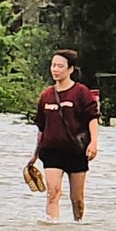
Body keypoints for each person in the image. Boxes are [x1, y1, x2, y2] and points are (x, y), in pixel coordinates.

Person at [34, 49, 101, 221]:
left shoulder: (81, 92)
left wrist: (93, 143)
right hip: (51, 151)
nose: (55, 69)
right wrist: (34, 155)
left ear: (70, 69)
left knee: (77, 199)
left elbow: (92, 118)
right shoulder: (46, 95)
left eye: (60, 66)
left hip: (76, 151)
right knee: (52, 193)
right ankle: (53, 228)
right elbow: (41, 127)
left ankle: (77, 227)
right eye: (53, 65)